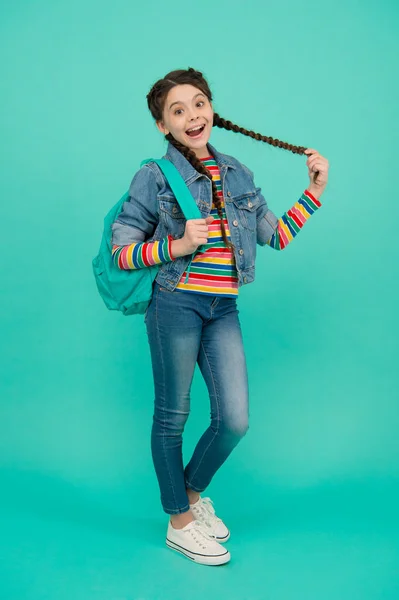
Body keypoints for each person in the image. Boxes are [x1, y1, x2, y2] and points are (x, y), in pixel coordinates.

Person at [110, 68, 329, 566]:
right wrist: (178, 245)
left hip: (222, 305)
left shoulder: (238, 172)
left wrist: (313, 191)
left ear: (212, 109)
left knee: (234, 419)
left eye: (199, 103)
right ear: (163, 126)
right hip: (176, 302)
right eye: (178, 110)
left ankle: (190, 495)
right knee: (173, 416)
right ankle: (179, 522)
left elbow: (276, 236)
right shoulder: (154, 176)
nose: (192, 115)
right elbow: (121, 251)